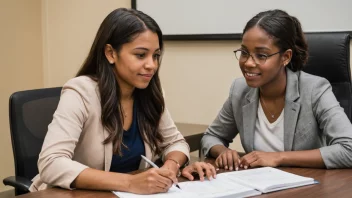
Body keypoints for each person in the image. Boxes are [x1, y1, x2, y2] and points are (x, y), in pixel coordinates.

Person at [29, 8, 216, 194]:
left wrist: (170, 167)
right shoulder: (80, 92)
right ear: (110, 53)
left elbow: (175, 142)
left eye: (156, 55)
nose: (152, 65)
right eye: (141, 55)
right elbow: (51, 163)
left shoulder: (150, 93)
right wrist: (130, 182)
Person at [201, 9, 352, 171]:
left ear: (285, 57)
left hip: (308, 186)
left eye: (261, 55)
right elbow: (212, 136)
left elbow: (348, 148)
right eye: (244, 52)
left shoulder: (314, 89)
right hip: (257, 185)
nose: (248, 63)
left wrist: (278, 157)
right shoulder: (240, 89)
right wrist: (224, 151)